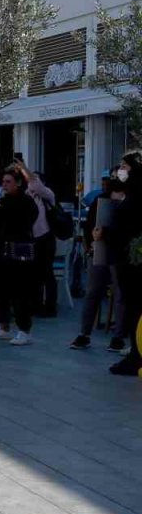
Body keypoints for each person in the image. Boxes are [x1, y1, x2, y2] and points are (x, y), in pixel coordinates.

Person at [0, 167, 40, 346]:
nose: (4, 186)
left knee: (20, 292)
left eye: (9, 182)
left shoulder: (26, 202)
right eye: (3, 182)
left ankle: (24, 330)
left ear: (19, 183)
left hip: (18, 253)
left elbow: (13, 219)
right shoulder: (2, 201)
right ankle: (3, 325)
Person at [72, 178, 127, 351]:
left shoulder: (131, 201)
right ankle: (84, 333)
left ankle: (119, 336)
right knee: (93, 291)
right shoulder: (100, 200)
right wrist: (91, 245)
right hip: (100, 249)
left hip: (119, 252)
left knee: (120, 294)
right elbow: (90, 226)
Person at [106, 151, 142, 376]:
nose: (120, 170)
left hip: (134, 262)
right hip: (130, 259)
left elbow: (126, 228)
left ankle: (136, 355)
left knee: (134, 307)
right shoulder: (130, 193)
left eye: (124, 167)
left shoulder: (136, 196)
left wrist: (106, 234)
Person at [15, 162, 59, 317]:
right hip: (29, 239)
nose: (32, 184)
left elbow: (36, 184)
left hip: (45, 238)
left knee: (46, 273)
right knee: (32, 274)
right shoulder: (25, 196)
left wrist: (24, 168)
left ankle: (50, 307)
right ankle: (35, 305)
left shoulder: (47, 195)